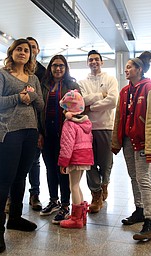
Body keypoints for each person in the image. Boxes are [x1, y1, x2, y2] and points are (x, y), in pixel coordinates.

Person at [111, 51, 151, 241]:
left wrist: (150, 149)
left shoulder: (150, 89)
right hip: (127, 142)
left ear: (139, 69)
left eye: (130, 66)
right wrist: (116, 141)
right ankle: (139, 210)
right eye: (126, 67)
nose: (126, 69)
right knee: (134, 178)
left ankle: (150, 222)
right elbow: (118, 118)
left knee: (144, 179)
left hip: (141, 143)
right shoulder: (124, 91)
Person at [0, 38, 44, 253]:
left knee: (21, 177)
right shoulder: (3, 74)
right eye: (19, 49)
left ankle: (15, 218)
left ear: (30, 55)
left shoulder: (34, 78)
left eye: (26, 50)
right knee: (4, 180)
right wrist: (18, 97)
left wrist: (32, 94)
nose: (23, 53)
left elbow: (41, 104)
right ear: (12, 52)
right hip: (9, 132)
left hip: (30, 132)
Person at [39, 55, 80, 224]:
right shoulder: (44, 85)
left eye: (61, 66)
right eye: (55, 65)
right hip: (47, 133)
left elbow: (79, 109)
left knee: (63, 169)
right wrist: (39, 133)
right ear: (50, 67)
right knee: (49, 168)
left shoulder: (72, 85)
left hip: (65, 135)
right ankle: (53, 201)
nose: (58, 69)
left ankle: (65, 205)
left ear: (66, 68)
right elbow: (38, 110)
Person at [78, 50, 118, 213]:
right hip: (87, 128)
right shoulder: (82, 82)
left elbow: (113, 100)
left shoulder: (110, 79)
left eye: (96, 59)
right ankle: (95, 194)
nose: (93, 62)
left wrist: (91, 107)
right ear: (87, 63)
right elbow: (81, 101)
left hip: (106, 126)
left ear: (101, 62)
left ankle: (104, 183)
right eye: (90, 60)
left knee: (105, 163)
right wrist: (101, 95)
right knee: (89, 163)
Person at [58, 90, 93, 229]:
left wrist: (63, 162)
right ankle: (82, 215)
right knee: (77, 185)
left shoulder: (69, 124)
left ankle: (76, 219)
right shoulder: (85, 122)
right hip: (86, 156)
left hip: (75, 157)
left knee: (73, 186)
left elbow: (67, 145)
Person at [26, 36, 47, 211]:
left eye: (33, 47)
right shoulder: (14, 71)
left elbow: (42, 105)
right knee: (13, 163)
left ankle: (35, 195)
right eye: (27, 48)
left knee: (34, 162)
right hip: (14, 126)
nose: (30, 51)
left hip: (35, 124)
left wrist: (41, 131)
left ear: (38, 50)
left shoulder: (44, 73)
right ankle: (10, 198)